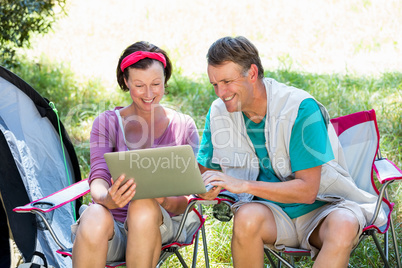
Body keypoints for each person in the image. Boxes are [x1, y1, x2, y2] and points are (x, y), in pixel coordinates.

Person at [197, 36, 386, 267]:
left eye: (227, 81)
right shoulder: (219, 112)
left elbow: (307, 191)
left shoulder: (299, 108)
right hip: (271, 214)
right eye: (215, 84)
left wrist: (243, 185)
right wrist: (205, 189)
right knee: (245, 218)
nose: (220, 92)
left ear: (252, 73)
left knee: (344, 223)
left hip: (324, 208)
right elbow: (205, 173)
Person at [71, 41, 200, 268]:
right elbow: (98, 177)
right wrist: (106, 199)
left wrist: (164, 200)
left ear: (165, 81)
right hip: (115, 228)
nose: (149, 94)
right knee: (93, 215)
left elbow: (192, 197)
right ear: (126, 81)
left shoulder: (183, 126)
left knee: (142, 204)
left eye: (156, 84)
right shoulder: (107, 123)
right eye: (139, 85)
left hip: (162, 225)